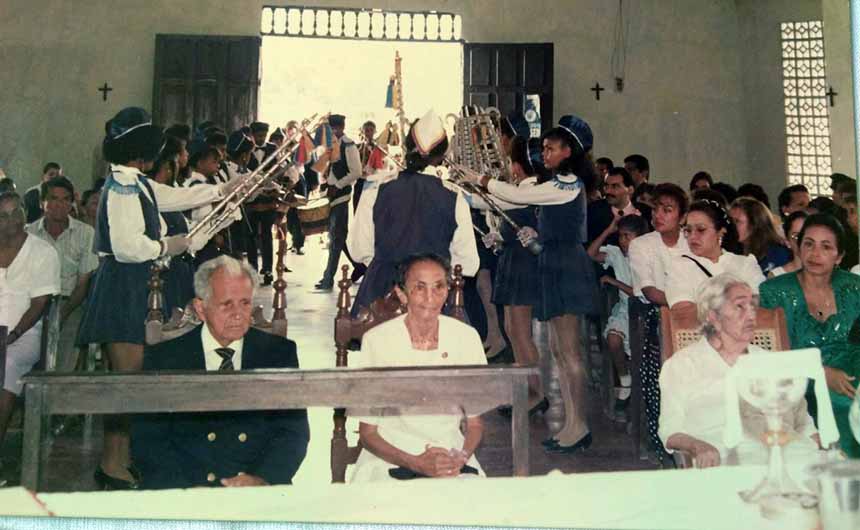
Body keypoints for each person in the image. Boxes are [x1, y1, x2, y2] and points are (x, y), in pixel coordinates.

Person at [76, 107, 239, 489]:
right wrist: (168, 244)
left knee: (134, 381)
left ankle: (121, 460)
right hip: (124, 287)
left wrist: (222, 190)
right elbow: (127, 246)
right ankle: (111, 464)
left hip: (139, 285)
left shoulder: (136, 182)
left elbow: (172, 197)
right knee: (126, 381)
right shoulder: (122, 187)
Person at [468, 115, 599, 452]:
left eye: (551, 149)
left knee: (569, 353)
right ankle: (571, 423)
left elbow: (513, 194)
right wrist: (535, 234)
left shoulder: (567, 184)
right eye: (544, 149)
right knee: (559, 350)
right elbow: (549, 220)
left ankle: (579, 425)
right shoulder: (557, 184)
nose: (546, 154)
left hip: (567, 267)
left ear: (568, 152)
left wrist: (480, 179)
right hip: (555, 262)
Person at [131, 256, 310, 489]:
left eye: (245, 303)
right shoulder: (165, 358)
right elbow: (147, 439)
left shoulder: (278, 354)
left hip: (254, 490)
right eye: (226, 304)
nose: (238, 314)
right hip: (184, 490)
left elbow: (293, 433)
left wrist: (262, 479)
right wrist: (183, 490)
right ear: (200, 308)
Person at [349, 254, 486, 482]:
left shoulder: (466, 338)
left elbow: (475, 423)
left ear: (447, 291)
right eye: (420, 288)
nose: (430, 298)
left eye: (439, 287)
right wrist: (416, 463)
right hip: (390, 456)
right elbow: (368, 433)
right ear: (402, 293)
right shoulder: (378, 341)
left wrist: (460, 458)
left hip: (450, 453)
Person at [659, 274, 820, 467]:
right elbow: (670, 430)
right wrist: (697, 446)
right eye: (740, 306)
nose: (751, 315)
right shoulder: (683, 365)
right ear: (713, 316)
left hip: (789, 456)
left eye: (752, 306)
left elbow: (805, 426)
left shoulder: (771, 362)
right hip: (726, 460)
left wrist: (829, 453)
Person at [348, 110, 478, 310]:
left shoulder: (375, 188)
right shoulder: (454, 196)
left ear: (406, 147)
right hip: (433, 300)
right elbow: (468, 264)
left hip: (380, 297)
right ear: (442, 155)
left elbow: (359, 250)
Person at [760, 214, 860, 458]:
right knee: (845, 407)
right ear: (798, 247)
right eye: (809, 244)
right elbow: (767, 356)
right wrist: (820, 372)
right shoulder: (774, 291)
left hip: (853, 376)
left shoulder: (855, 286)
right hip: (800, 382)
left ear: (839, 256)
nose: (815, 254)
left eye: (826, 247)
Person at [476, 136, 545, 411]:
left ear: (517, 166)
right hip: (512, 261)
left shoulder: (528, 191)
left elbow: (490, 202)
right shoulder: (521, 190)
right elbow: (512, 228)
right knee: (511, 329)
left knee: (520, 332)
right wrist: (498, 238)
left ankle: (536, 393)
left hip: (523, 267)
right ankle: (525, 388)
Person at [627, 182, 690, 461]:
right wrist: (687, 307)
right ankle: (664, 443)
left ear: (682, 216)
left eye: (667, 210)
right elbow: (650, 291)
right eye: (656, 209)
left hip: (694, 314)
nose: (659, 215)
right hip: (658, 313)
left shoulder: (691, 240)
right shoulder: (642, 245)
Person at [0, 192, 61, 465]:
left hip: (22, 335)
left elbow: (39, 305)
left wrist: (12, 336)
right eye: (3, 215)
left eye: (17, 212)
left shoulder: (42, 252)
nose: (12, 220)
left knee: (7, 364)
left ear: (26, 212)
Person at [24, 177, 98, 372]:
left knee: (61, 365)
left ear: (72, 203)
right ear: (42, 202)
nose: (59, 205)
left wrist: (61, 315)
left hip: (70, 303)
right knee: (27, 361)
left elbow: (83, 284)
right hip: (33, 304)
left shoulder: (85, 233)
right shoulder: (29, 234)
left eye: (65, 199)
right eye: (53, 199)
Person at [587, 213, 650, 420]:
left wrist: (615, 282)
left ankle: (644, 392)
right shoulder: (616, 254)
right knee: (613, 339)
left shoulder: (648, 258)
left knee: (644, 353)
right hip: (625, 310)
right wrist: (608, 230)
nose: (623, 240)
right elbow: (591, 254)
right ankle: (625, 380)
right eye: (621, 235)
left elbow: (641, 293)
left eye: (627, 236)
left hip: (645, 311)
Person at [666, 200, 764, 311]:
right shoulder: (679, 266)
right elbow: (683, 311)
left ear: (721, 232)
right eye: (688, 230)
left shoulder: (745, 264)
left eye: (701, 229)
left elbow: (762, 305)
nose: (692, 236)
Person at [316, 114, 363, 291]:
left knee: (336, 237)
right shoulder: (328, 145)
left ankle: (328, 278)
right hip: (329, 195)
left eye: (335, 128)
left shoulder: (349, 146)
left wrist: (338, 185)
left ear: (342, 128)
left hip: (341, 196)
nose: (333, 132)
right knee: (338, 237)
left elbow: (356, 172)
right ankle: (360, 266)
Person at [587, 166, 651, 246]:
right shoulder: (593, 210)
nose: (608, 191)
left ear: (630, 190)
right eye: (606, 186)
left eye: (615, 186)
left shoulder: (646, 212)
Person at [729, 197, 791, 275]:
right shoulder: (732, 253)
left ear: (754, 224)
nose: (731, 226)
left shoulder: (778, 254)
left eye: (737, 221)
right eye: (730, 221)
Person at [769, 210, 808, 277]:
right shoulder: (777, 275)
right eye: (796, 236)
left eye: (807, 233)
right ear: (788, 242)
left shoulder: (826, 271)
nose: (803, 240)